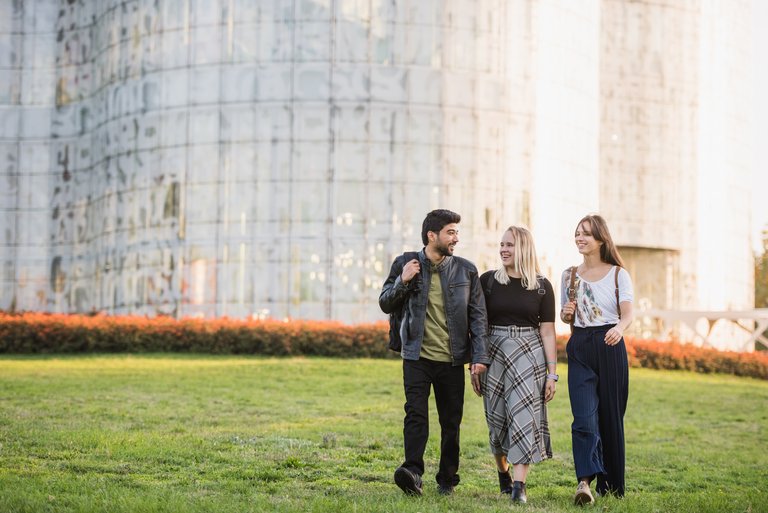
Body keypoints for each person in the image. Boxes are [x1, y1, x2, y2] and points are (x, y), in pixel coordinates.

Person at [379, 209, 490, 496]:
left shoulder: (466, 270)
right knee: (415, 415)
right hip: (416, 356)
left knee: (450, 422)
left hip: (452, 359)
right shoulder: (405, 263)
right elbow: (385, 303)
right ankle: (412, 472)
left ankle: (447, 479)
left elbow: (478, 317)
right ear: (432, 235)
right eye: (450, 232)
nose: (456, 238)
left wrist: (479, 358)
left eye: (456, 232)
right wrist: (402, 280)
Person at [478, 226, 557, 504]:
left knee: (523, 418)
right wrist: (476, 362)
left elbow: (547, 332)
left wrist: (552, 374)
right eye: (501, 244)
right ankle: (504, 473)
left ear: (523, 247)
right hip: (494, 352)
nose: (503, 249)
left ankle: (519, 487)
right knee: (497, 422)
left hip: (529, 353)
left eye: (509, 245)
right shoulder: (487, 281)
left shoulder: (542, 286)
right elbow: (479, 325)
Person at [560, 214, 634, 505]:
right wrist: (566, 314)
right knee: (583, 417)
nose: (580, 238)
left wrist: (618, 328)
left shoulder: (618, 274)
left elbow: (627, 314)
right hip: (579, 344)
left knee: (610, 417)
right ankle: (584, 482)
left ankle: (612, 485)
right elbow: (566, 315)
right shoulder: (569, 275)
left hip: (610, 344)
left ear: (601, 239)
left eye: (587, 234)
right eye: (577, 233)